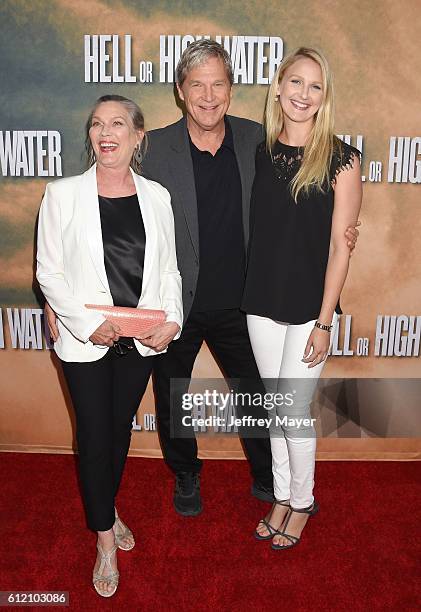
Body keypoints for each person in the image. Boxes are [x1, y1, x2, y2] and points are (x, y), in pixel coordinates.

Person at [46, 40, 359, 518]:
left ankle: (269, 480)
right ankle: (185, 472)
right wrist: (57, 302)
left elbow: (310, 201)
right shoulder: (154, 149)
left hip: (250, 299)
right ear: (180, 91)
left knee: (260, 395)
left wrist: (345, 228)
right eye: (197, 85)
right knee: (173, 399)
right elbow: (95, 201)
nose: (208, 96)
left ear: (232, 91)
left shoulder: (263, 142)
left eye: (218, 85)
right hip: (178, 302)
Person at [36, 94, 182, 596]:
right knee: (95, 435)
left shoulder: (158, 196)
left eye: (118, 123)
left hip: (137, 342)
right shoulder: (61, 195)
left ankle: (105, 504)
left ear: (138, 136)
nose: (106, 132)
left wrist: (175, 318)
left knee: (118, 431)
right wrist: (80, 321)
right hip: (86, 341)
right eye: (97, 124)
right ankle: (103, 535)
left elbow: (169, 271)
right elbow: (48, 273)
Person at [242, 47, 363, 550]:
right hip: (261, 299)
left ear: (325, 96)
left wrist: (324, 321)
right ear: (278, 86)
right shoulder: (262, 150)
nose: (303, 94)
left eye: (315, 86)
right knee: (277, 409)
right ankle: (283, 495)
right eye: (295, 82)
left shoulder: (343, 160)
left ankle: (303, 501)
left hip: (310, 309)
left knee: (293, 408)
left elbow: (341, 246)